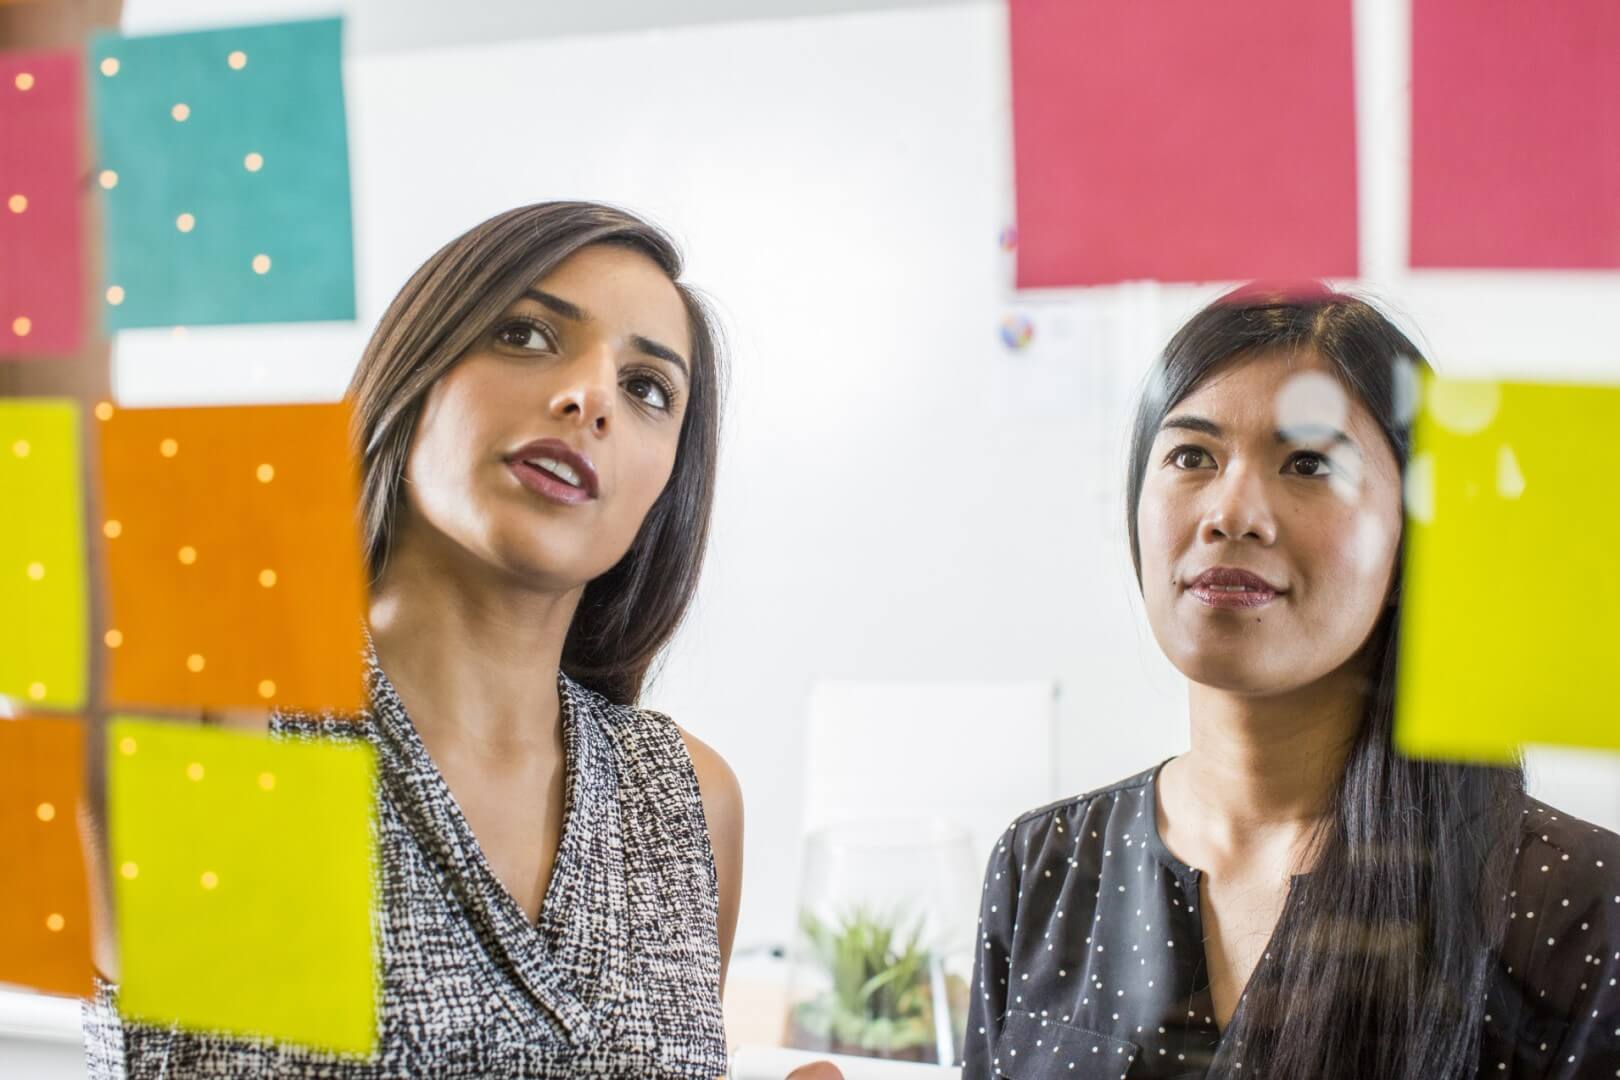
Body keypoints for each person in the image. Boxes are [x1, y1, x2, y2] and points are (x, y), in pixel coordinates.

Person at [82, 201, 743, 1078]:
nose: (589, 397)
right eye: (528, 334)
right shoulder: (212, 717)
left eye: (647, 388)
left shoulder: (688, 799)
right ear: (416, 374)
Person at [964, 285, 1620, 1079]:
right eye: (1191, 456)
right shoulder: (1047, 866)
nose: (1232, 512)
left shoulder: (1572, 903)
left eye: (1309, 463)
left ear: (1416, 539)